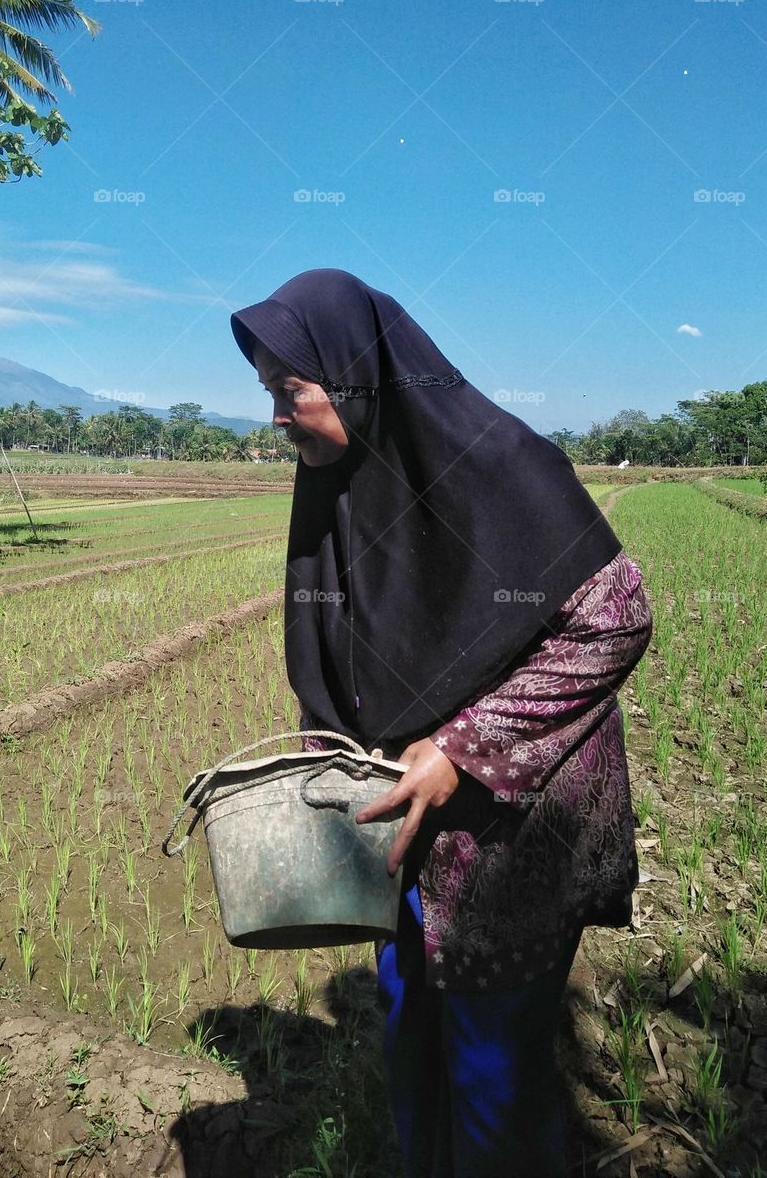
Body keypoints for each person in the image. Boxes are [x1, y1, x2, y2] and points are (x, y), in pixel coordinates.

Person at [230, 269, 653, 1178]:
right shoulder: (334, 491)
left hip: (510, 845)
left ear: (353, 376)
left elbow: (615, 616)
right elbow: (335, 657)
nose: (274, 416)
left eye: (287, 391)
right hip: (399, 837)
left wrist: (462, 748)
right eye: (269, 392)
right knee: (412, 1039)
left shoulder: (502, 465)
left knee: (496, 1078)